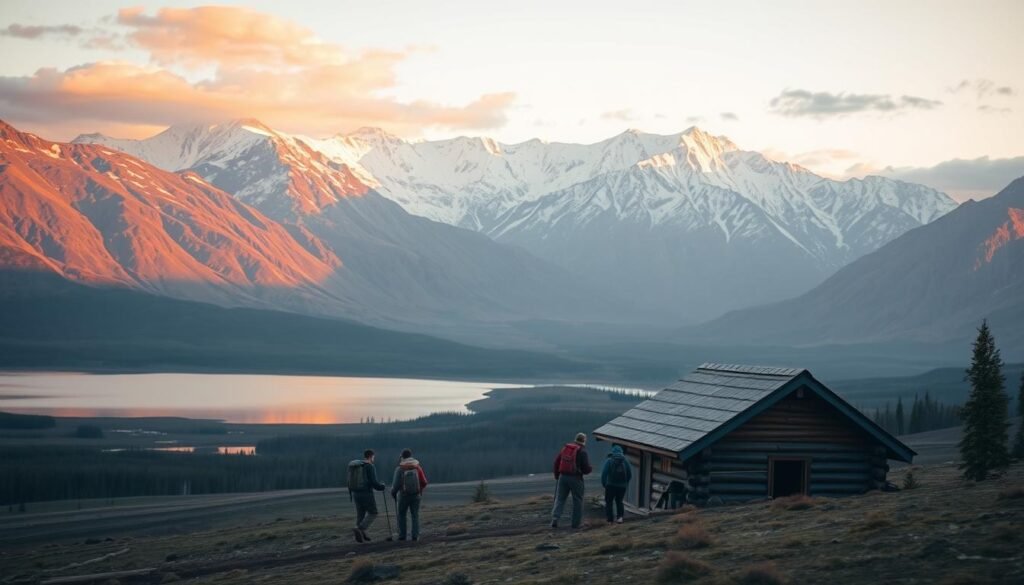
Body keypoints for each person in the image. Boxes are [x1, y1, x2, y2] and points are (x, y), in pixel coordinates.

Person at [550, 432, 593, 529]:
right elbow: (586, 469)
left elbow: (556, 462)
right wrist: (590, 469)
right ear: (584, 441)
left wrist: (557, 476)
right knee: (577, 500)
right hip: (575, 478)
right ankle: (575, 524)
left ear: (575, 439)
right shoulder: (582, 451)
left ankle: (555, 519)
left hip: (563, 477)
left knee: (560, 499)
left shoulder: (565, 448)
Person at [347, 449, 386, 543]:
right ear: (371, 456)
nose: (374, 459)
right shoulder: (369, 466)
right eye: (373, 457)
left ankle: (362, 534)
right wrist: (382, 487)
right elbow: (374, 482)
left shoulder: (358, 466)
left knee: (361, 514)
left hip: (356, 493)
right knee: (373, 512)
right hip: (366, 494)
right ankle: (360, 528)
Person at [390, 448, 428, 541]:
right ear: (411, 456)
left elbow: (395, 485)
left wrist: (393, 493)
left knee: (402, 514)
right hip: (416, 495)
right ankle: (415, 535)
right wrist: (420, 490)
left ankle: (402, 535)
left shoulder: (400, 469)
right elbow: (424, 482)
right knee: (415, 515)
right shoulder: (417, 467)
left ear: (402, 456)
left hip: (404, 495)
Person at [600, 445, 632, 524]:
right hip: (622, 486)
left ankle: (610, 520)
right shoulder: (625, 461)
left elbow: (604, 473)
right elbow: (629, 474)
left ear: (613, 452)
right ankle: (620, 518)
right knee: (619, 501)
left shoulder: (609, 460)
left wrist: (605, 484)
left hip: (610, 485)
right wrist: (625, 483)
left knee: (609, 502)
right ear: (621, 452)